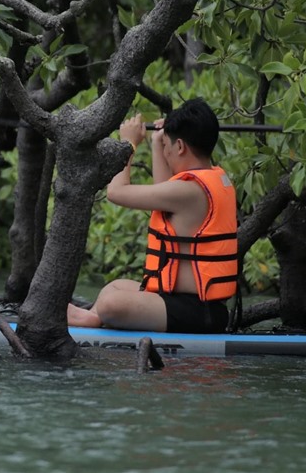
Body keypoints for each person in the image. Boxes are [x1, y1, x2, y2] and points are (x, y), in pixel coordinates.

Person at [67, 98, 238, 333]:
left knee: (110, 303)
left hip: (197, 312)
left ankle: (95, 318)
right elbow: (165, 190)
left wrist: (127, 144)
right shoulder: (213, 180)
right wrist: (159, 143)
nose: (166, 154)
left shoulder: (189, 190)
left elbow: (116, 193)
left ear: (180, 147)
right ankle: (92, 317)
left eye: (167, 147)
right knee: (114, 288)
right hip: (190, 304)